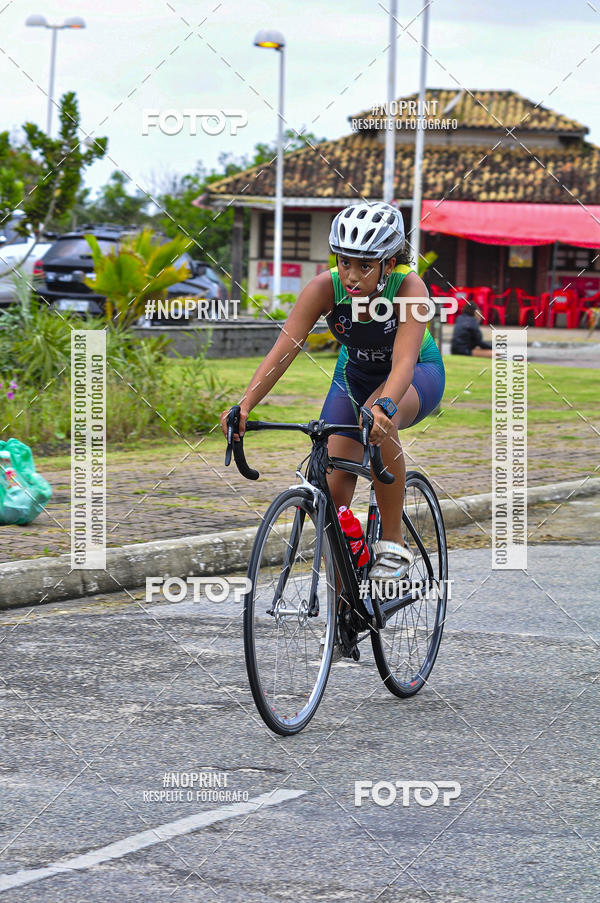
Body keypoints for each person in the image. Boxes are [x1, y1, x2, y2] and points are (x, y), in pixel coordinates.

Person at [220, 202, 445, 581]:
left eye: (365, 265)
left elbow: (404, 360)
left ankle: (393, 544)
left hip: (415, 373)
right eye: (344, 262)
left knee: (377, 415)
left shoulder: (409, 286)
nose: (352, 276)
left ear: (389, 264)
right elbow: (283, 351)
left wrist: (385, 406)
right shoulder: (325, 287)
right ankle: (344, 620)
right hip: (353, 373)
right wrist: (245, 405)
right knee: (333, 496)